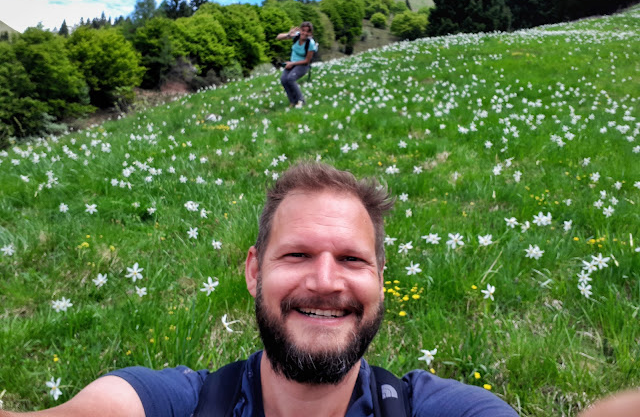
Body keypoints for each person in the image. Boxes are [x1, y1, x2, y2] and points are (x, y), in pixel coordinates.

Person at [1, 162, 517, 417]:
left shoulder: (435, 410)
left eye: (352, 259)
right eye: (296, 255)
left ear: (381, 279)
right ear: (253, 271)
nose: (324, 281)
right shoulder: (178, 404)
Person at [276, 21, 317, 107]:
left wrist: (292, 63)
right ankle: (293, 102)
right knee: (284, 79)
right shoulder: (296, 35)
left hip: (303, 65)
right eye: (303, 30)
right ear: (300, 30)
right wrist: (288, 35)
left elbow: (307, 61)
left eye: (308, 31)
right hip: (292, 63)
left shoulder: (311, 43)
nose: (305, 33)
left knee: (291, 78)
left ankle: (301, 101)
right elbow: (278, 37)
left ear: (310, 33)